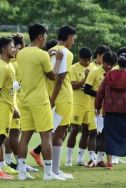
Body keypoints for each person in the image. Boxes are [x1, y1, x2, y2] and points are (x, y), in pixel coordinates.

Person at [16, 23, 63, 180]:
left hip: (24, 100)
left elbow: (34, 66)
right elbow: (53, 75)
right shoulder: (42, 55)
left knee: (25, 136)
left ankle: (22, 172)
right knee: (46, 136)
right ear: (40, 37)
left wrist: (48, 55)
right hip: (40, 100)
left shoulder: (21, 53)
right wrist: (57, 60)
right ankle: (48, 173)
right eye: (45, 38)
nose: (45, 41)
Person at [95, 53, 126, 170]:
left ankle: (110, 163)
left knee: (110, 136)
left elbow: (100, 92)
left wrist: (97, 106)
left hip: (110, 110)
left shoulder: (109, 75)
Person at [3, 34, 39, 173]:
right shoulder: (11, 64)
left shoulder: (14, 63)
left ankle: (9, 162)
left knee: (9, 133)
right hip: (13, 102)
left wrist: (23, 42)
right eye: (14, 48)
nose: (17, 51)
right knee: (12, 134)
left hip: (14, 101)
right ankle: (17, 163)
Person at [48, 25, 76, 179]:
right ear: (69, 37)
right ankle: (54, 170)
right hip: (62, 97)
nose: (74, 41)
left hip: (54, 96)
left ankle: (55, 169)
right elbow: (60, 79)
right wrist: (53, 99)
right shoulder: (67, 53)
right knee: (59, 133)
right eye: (73, 38)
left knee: (58, 132)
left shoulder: (51, 50)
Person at [29, 39, 58, 168]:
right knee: (50, 132)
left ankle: (36, 152)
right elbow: (54, 76)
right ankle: (50, 168)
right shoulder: (47, 60)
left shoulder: (43, 57)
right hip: (48, 99)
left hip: (48, 98)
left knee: (53, 132)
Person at [65, 47, 97, 167]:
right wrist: (85, 79)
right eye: (85, 60)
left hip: (89, 104)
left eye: (89, 60)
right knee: (74, 130)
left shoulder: (94, 68)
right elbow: (73, 86)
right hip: (77, 103)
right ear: (80, 58)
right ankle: (68, 159)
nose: (87, 62)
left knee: (86, 132)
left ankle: (79, 158)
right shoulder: (73, 68)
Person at [84, 50, 116, 167]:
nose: (107, 66)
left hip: (108, 109)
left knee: (104, 134)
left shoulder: (114, 73)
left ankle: (100, 159)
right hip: (93, 107)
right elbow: (86, 89)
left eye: (110, 64)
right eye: (106, 63)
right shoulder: (95, 72)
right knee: (93, 133)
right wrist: (100, 94)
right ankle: (91, 159)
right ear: (103, 61)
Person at [0, 37, 17, 180]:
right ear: (4, 49)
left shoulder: (9, 65)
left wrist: (14, 107)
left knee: (2, 138)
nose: (15, 49)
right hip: (2, 108)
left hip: (8, 108)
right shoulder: (2, 66)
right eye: (12, 47)